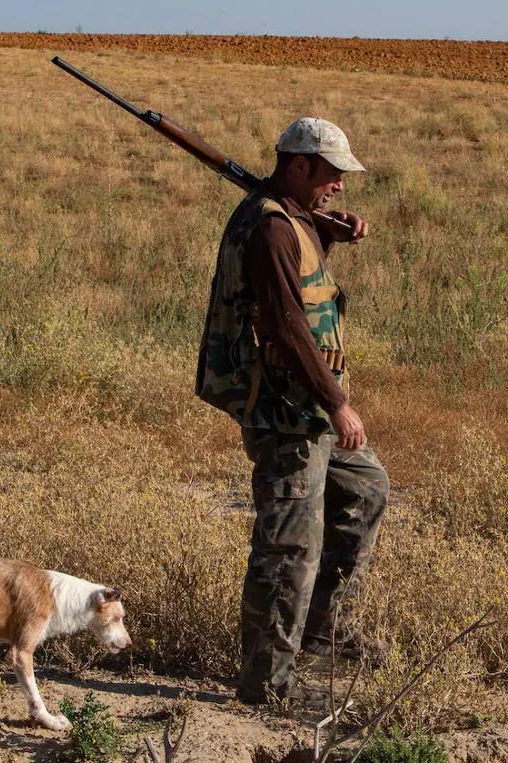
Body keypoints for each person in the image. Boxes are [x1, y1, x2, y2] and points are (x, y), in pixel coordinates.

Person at [195, 117, 389, 704]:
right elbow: (284, 324)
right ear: (298, 165)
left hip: (303, 405)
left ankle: (322, 638)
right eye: (331, 175)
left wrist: (328, 232)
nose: (339, 187)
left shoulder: (290, 219)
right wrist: (339, 403)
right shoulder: (271, 228)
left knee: (365, 492)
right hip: (285, 410)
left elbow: (297, 283)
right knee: (288, 547)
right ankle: (267, 683)